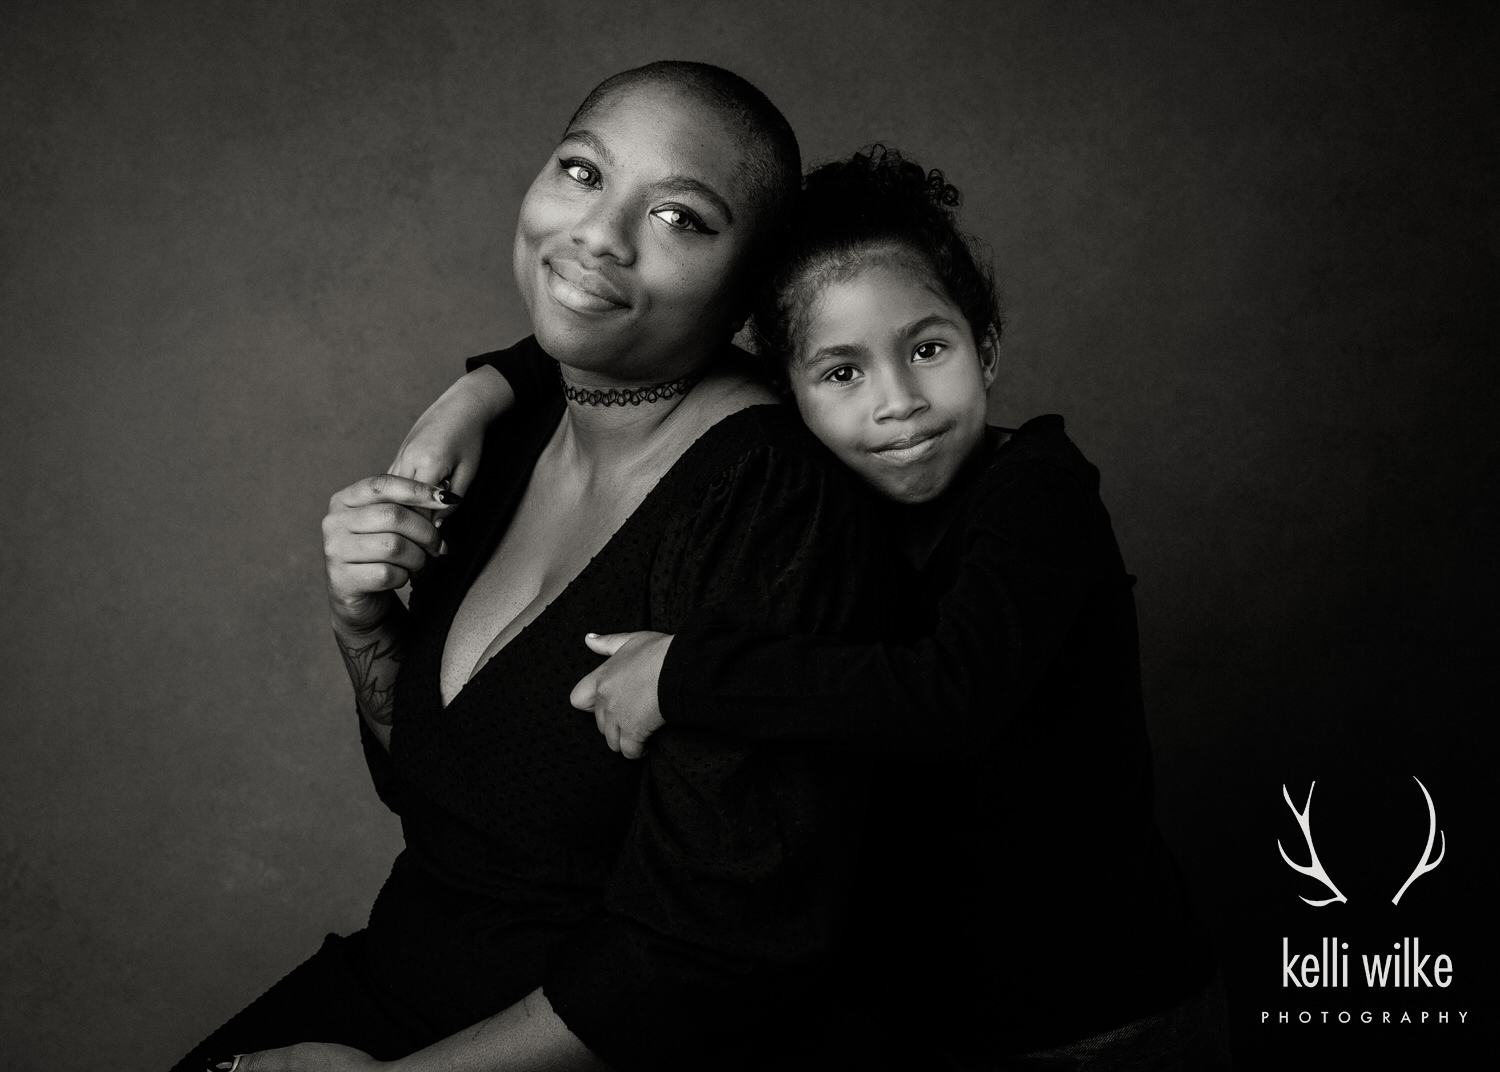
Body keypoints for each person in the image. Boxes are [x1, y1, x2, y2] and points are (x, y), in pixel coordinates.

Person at [402, 147, 1231, 1068]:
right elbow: (641, 340)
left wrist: (685, 672)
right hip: (918, 1024)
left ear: (985, 346)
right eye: (842, 373)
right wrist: (484, 388)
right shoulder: (826, 496)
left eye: (927, 349)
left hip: (1096, 1018)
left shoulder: (1037, 491)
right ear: (786, 393)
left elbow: (948, 695)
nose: (899, 404)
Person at [175, 63, 885, 1072]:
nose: (600, 233)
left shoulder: (771, 505)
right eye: (582, 172)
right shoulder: (510, 433)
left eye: (681, 217)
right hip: (404, 981)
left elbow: (716, 953)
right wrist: (365, 627)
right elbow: (447, 798)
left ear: (747, 290)